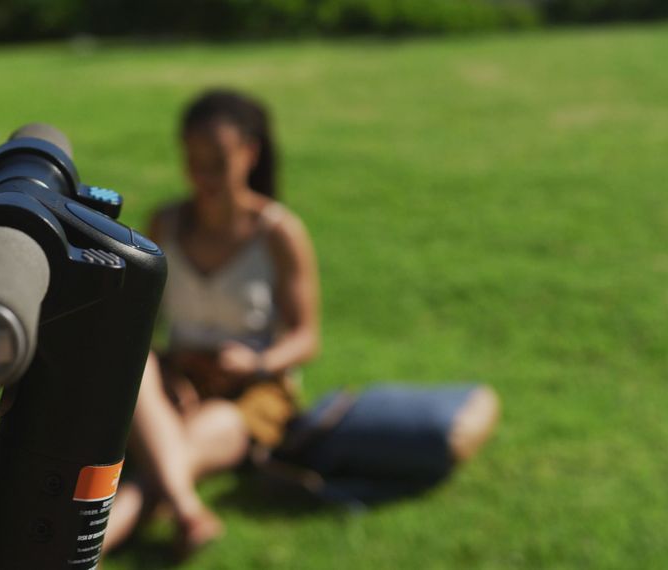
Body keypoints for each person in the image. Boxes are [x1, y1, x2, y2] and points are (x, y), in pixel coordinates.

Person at [103, 89, 500, 556]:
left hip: (253, 388)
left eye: (216, 160)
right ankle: (183, 510)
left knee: (179, 453)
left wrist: (256, 362)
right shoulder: (165, 221)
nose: (202, 174)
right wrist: (172, 377)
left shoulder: (278, 232)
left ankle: (115, 534)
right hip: (179, 375)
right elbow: (140, 319)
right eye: (192, 159)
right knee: (135, 363)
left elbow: (306, 338)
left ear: (249, 154)